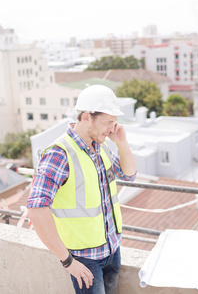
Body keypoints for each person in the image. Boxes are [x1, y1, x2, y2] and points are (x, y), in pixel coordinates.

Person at [27, 84, 136, 294]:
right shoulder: (59, 154)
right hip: (86, 260)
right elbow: (36, 211)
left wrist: (121, 143)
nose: (112, 128)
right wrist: (67, 261)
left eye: (114, 122)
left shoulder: (100, 147)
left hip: (112, 250)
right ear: (86, 117)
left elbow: (128, 174)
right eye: (108, 122)